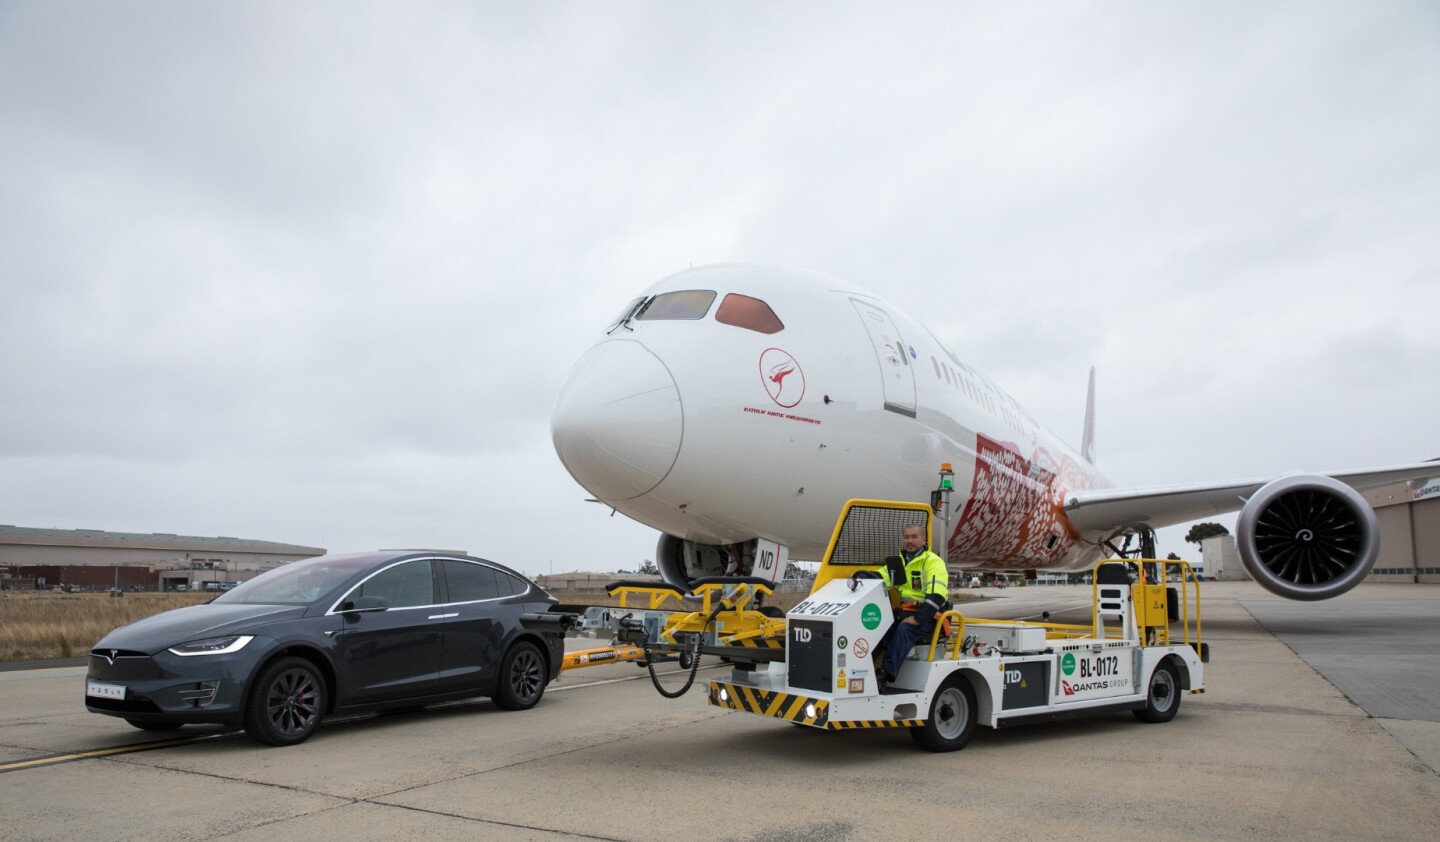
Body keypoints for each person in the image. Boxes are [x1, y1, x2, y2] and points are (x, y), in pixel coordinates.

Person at [875, 524, 950, 686]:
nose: (910, 540)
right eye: (907, 537)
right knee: (879, 628)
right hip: (907, 613)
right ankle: (863, 668)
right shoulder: (899, 562)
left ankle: (884, 675)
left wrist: (917, 619)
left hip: (931, 617)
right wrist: (860, 576)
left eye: (914, 537)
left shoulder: (933, 562)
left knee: (904, 629)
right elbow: (881, 576)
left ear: (923, 539)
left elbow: (936, 596)